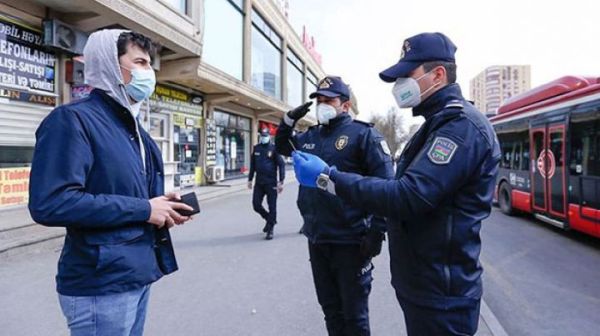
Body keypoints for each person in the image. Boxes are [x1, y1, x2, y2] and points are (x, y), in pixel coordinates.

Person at [291, 33, 501, 336]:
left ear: (438, 75)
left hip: (442, 293)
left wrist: (329, 179)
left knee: (353, 317)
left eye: (407, 75)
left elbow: (407, 195)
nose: (399, 84)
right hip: (422, 284)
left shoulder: (461, 126)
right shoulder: (434, 125)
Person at [28, 29, 194, 336]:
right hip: (100, 283)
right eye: (140, 62)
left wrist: (161, 209)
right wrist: (144, 209)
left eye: (150, 65)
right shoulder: (73, 120)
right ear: (109, 64)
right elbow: (50, 203)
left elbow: (129, 195)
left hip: (136, 273)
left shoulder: (134, 129)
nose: (149, 73)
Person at [276, 76, 394, 336]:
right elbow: (282, 146)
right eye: (318, 101)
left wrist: (377, 232)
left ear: (345, 105)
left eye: (328, 100)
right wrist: (287, 121)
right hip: (317, 238)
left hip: (351, 242)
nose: (321, 105)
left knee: (354, 317)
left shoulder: (364, 136)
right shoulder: (310, 136)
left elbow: (385, 185)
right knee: (331, 310)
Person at [247, 127, 286, 240]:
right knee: (256, 205)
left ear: (269, 136)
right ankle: (270, 219)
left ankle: (270, 229)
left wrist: (281, 181)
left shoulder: (274, 149)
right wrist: (249, 180)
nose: (264, 138)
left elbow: (281, 165)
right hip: (259, 182)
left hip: (271, 182)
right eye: (262, 136)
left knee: (272, 206)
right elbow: (252, 166)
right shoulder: (256, 148)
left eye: (266, 136)